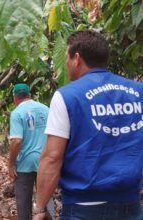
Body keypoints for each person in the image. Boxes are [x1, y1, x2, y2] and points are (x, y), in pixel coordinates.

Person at [33, 30, 143, 220]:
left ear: (77, 58)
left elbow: (52, 157)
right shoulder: (138, 92)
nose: (65, 64)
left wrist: (40, 208)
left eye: (66, 57)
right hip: (130, 205)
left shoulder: (67, 96)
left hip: (83, 208)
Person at [8, 83, 52, 220]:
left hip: (24, 164)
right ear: (29, 95)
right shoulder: (46, 109)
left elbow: (16, 141)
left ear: (15, 98)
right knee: (46, 201)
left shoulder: (17, 113)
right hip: (45, 162)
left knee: (23, 204)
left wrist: (10, 164)